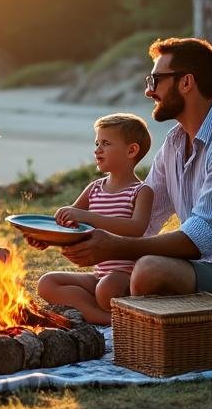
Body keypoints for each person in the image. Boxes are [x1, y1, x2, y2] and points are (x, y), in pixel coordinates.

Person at [26, 38, 212, 338]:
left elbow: (198, 239)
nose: (149, 91)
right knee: (66, 281)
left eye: (155, 80)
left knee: (150, 270)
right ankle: (126, 317)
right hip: (198, 275)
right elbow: (143, 219)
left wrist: (113, 246)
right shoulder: (174, 144)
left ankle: (135, 320)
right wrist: (60, 236)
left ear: (186, 82)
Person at [36, 113, 154, 325]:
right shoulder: (94, 189)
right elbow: (68, 225)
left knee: (106, 290)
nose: (97, 149)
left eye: (106, 143)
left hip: (125, 277)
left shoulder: (141, 191)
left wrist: (87, 216)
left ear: (131, 150)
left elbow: (136, 228)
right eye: (97, 143)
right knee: (47, 283)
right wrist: (45, 237)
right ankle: (107, 318)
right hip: (98, 276)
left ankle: (107, 313)